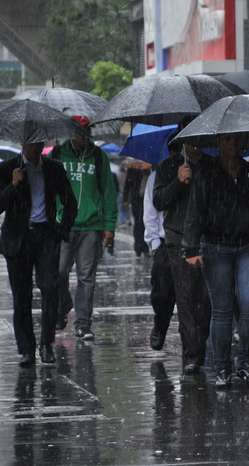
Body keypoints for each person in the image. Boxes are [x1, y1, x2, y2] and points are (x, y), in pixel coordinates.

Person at [184, 134, 249, 389]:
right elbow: (196, 209)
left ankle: (246, 363)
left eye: (236, 141)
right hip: (216, 246)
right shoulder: (207, 172)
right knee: (222, 309)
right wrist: (191, 248)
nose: (232, 145)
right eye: (226, 141)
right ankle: (223, 367)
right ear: (219, 143)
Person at [0, 141, 76, 366]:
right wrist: (13, 185)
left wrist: (62, 229)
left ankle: (46, 344)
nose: (35, 149)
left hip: (46, 236)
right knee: (21, 297)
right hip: (18, 240)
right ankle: (26, 349)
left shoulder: (54, 168)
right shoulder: (7, 169)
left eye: (38, 145)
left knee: (50, 288)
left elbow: (70, 202)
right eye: (31, 145)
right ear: (24, 144)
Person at [51, 117, 118, 339]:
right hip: (64, 225)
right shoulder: (58, 155)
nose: (81, 136)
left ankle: (83, 324)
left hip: (91, 227)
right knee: (58, 272)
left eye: (84, 132)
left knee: (86, 277)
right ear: (70, 132)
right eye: (77, 132)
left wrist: (109, 227)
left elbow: (108, 193)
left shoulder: (99, 158)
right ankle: (63, 306)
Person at [153, 132, 211, 375]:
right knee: (185, 298)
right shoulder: (169, 166)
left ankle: (200, 347)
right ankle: (191, 354)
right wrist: (178, 181)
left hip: (207, 239)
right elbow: (159, 201)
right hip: (177, 240)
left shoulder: (210, 166)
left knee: (205, 301)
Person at [143, 166, 175, 351]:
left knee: (193, 300)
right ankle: (160, 326)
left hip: (192, 241)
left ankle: (192, 351)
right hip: (165, 243)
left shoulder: (200, 171)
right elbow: (150, 210)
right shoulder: (157, 176)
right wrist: (154, 242)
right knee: (162, 294)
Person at [124, 161, 151, 257]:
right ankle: (138, 247)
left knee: (145, 223)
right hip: (137, 200)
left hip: (147, 200)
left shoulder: (150, 170)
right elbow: (127, 185)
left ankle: (145, 247)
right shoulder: (133, 169)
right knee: (138, 223)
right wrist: (125, 199)